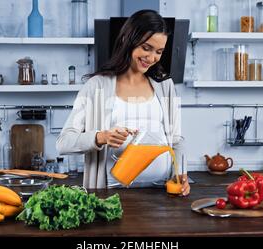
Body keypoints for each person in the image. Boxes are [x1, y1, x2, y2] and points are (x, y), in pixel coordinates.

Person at [56, 10, 190, 196]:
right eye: (146, 48)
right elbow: (64, 142)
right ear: (128, 40)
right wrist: (101, 137)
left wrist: (181, 172)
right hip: (111, 193)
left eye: (159, 52)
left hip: (162, 194)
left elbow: (176, 140)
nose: (152, 58)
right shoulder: (97, 86)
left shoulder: (165, 86)